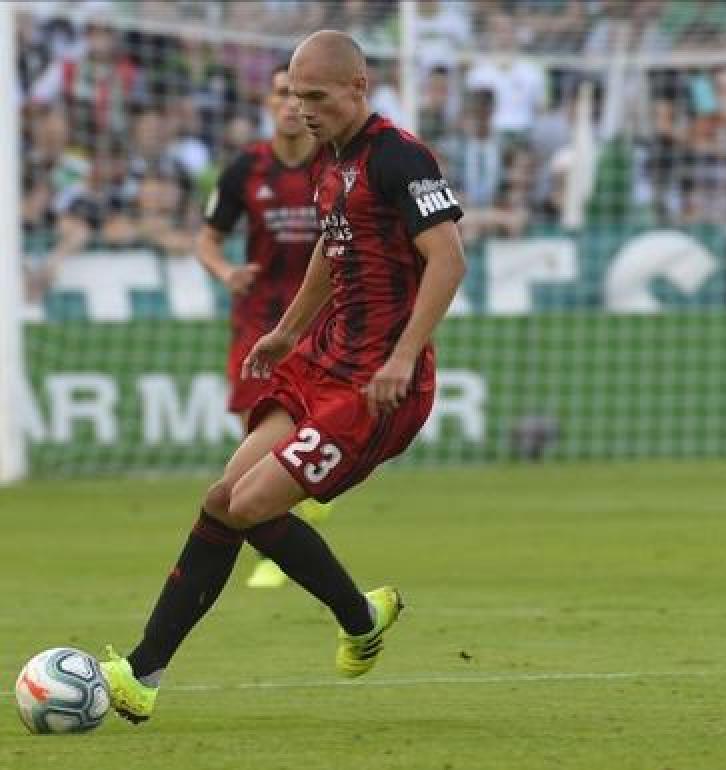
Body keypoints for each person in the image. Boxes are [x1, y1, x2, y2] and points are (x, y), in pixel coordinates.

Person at [99, 30, 467, 724]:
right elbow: (334, 245)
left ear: (359, 88)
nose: (302, 110)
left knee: (250, 506)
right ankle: (144, 674)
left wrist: (401, 356)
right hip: (322, 360)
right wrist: (289, 330)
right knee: (222, 498)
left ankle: (354, 618)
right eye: (296, 97)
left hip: (375, 389)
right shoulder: (332, 160)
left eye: (317, 97)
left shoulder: (400, 156)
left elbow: (448, 260)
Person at [195, 64, 332, 590]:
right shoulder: (245, 170)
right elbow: (207, 239)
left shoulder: (334, 164)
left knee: (311, 433)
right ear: (269, 103)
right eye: (281, 94)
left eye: (300, 94)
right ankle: (276, 538)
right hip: (259, 323)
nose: (291, 104)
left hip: (322, 324)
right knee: (254, 443)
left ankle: (285, 539)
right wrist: (227, 271)